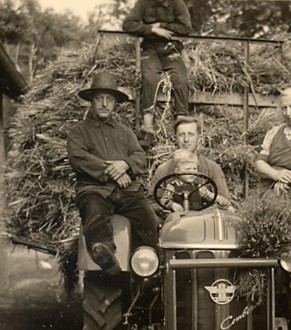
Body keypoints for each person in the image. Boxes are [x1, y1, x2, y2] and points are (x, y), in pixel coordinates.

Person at [67, 72, 159, 275]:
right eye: (99, 98)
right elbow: (78, 158)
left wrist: (125, 164)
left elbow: (140, 157)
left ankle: (149, 269)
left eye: (109, 99)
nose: (104, 104)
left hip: (126, 192)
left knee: (149, 219)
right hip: (94, 190)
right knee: (94, 212)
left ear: (115, 103)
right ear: (91, 101)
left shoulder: (125, 133)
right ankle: (105, 256)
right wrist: (114, 172)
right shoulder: (78, 132)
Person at [122, 0, 192, 147]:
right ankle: (148, 129)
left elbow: (186, 27)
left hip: (171, 49)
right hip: (150, 49)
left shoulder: (177, 3)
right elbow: (128, 24)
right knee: (149, 77)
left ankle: (181, 125)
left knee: (180, 79)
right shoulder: (143, 3)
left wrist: (161, 25)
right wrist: (152, 30)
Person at [150, 116, 232, 212]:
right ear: (175, 137)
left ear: (199, 137)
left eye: (191, 134)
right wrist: (171, 206)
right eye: (181, 135)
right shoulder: (163, 170)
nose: (186, 139)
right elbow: (152, 202)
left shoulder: (212, 168)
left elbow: (222, 200)